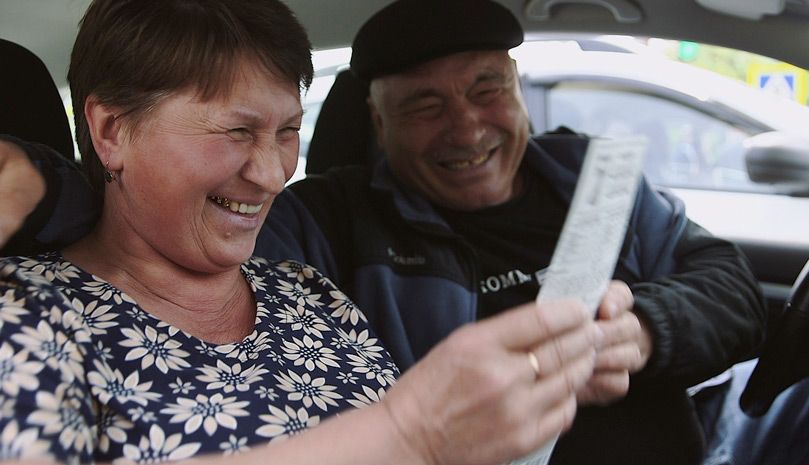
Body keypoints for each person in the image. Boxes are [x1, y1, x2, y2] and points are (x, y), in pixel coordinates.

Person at [0, 0, 767, 464]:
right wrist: (412, 431)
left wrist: (640, 328)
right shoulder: (30, 314)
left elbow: (729, 286)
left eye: (287, 132)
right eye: (236, 130)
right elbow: (142, 231)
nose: (270, 174)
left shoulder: (304, 292)